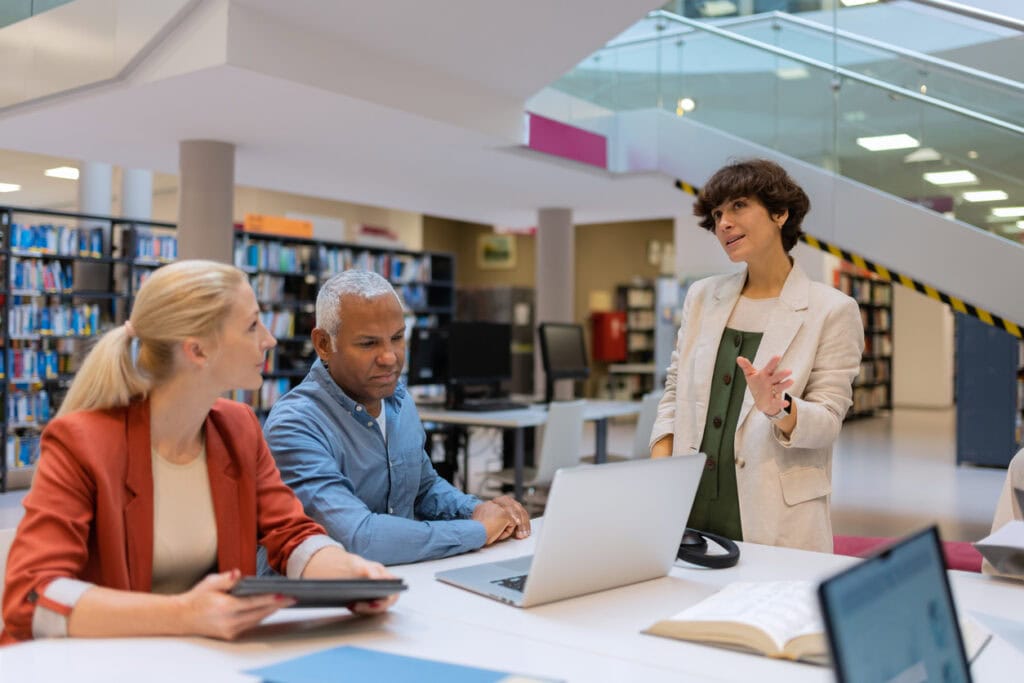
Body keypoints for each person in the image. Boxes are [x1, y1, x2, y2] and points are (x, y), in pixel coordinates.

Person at [1, 261, 396, 644]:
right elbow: (29, 596)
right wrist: (184, 614)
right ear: (198, 351)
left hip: (205, 659)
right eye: (251, 325)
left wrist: (348, 574)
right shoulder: (81, 442)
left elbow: (290, 535)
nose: (269, 339)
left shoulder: (237, 427)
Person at [650, 159, 864, 553]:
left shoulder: (832, 309)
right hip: (689, 504)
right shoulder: (702, 296)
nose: (723, 224)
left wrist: (780, 408)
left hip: (775, 514)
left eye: (738, 206)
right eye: (716, 215)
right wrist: (662, 465)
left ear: (780, 213)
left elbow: (829, 422)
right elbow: (676, 389)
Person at [263, 270, 530, 566]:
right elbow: (358, 539)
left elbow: (423, 488)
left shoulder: (399, 400)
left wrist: (476, 509)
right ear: (324, 344)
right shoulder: (296, 424)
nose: (389, 357)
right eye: (368, 343)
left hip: (402, 581)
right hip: (314, 604)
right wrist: (476, 530)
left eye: (397, 338)